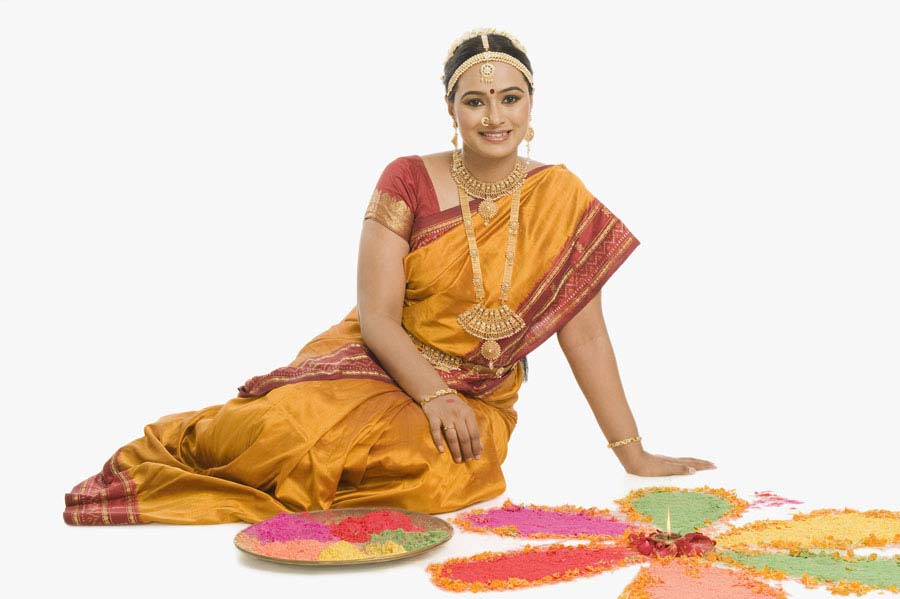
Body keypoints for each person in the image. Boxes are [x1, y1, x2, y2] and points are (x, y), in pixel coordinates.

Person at [63, 27, 715, 526]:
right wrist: (435, 395)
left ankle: (326, 501)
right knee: (278, 434)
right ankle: (181, 456)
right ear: (452, 110)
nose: (495, 117)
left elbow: (589, 338)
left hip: (479, 395)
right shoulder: (406, 176)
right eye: (476, 100)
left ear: (531, 103)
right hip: (375, 361)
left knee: (434, 474)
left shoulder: (560, 194)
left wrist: (634, 453)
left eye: (509, 98)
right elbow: (376, 316)